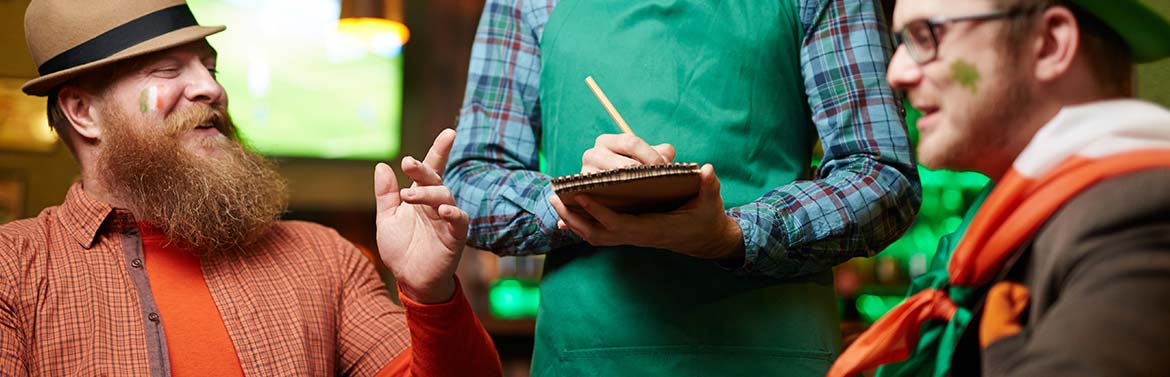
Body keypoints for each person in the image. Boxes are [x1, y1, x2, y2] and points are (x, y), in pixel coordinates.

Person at [0, 0, 501, 375]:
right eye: (168, 70)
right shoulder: (13, 274)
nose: (211, 88)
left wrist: (430, 294)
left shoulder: (325, 259)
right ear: (83, 112)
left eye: (209, 66)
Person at [445, 0, 921, 375]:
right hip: (588, 359)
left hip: (771, 356)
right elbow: (469, 180)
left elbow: (881, 172)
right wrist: (577, 201)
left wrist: (736, 235)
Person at [829, 1, 1170, 376]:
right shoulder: (1001, 224)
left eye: (927, 35)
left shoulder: (1140, 214)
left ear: (1050, 43)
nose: (896, 72)